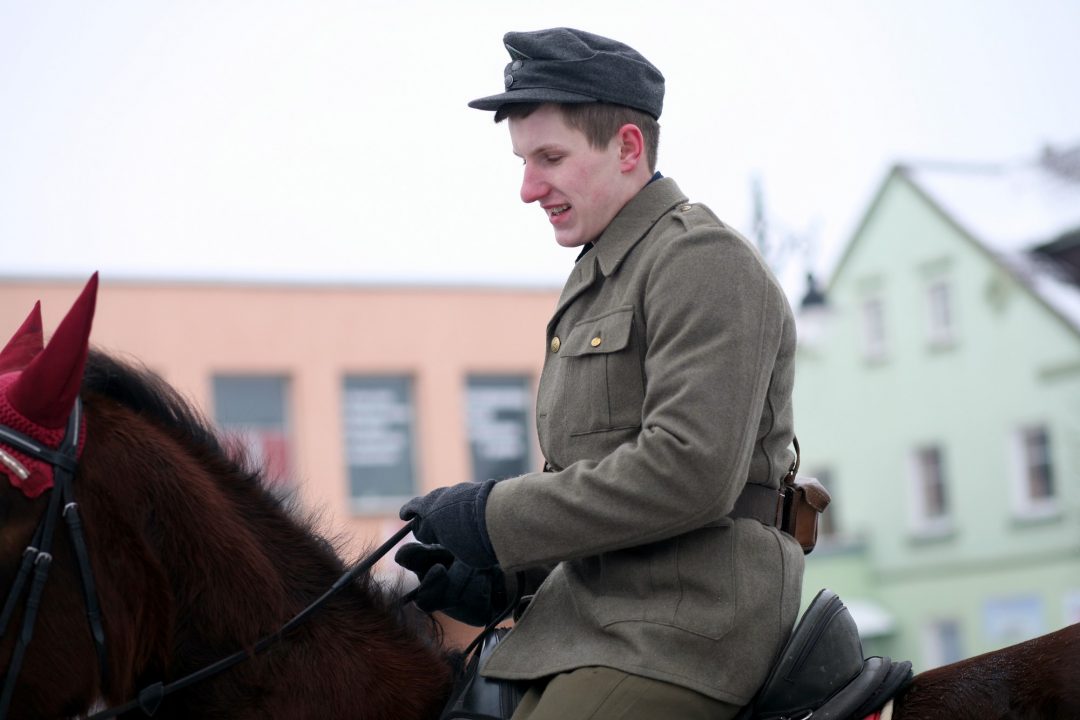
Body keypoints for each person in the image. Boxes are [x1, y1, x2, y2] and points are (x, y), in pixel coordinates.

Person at [397, 27, 804, 720]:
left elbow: (688, 474)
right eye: (523, 161)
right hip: (591, 620)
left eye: (550, 158)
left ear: (627, 147)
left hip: (685, 625)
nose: (529, 188)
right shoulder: (604, 274)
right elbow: (596, 482)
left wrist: (491, 517)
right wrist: (500, 574)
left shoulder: (701, 261)